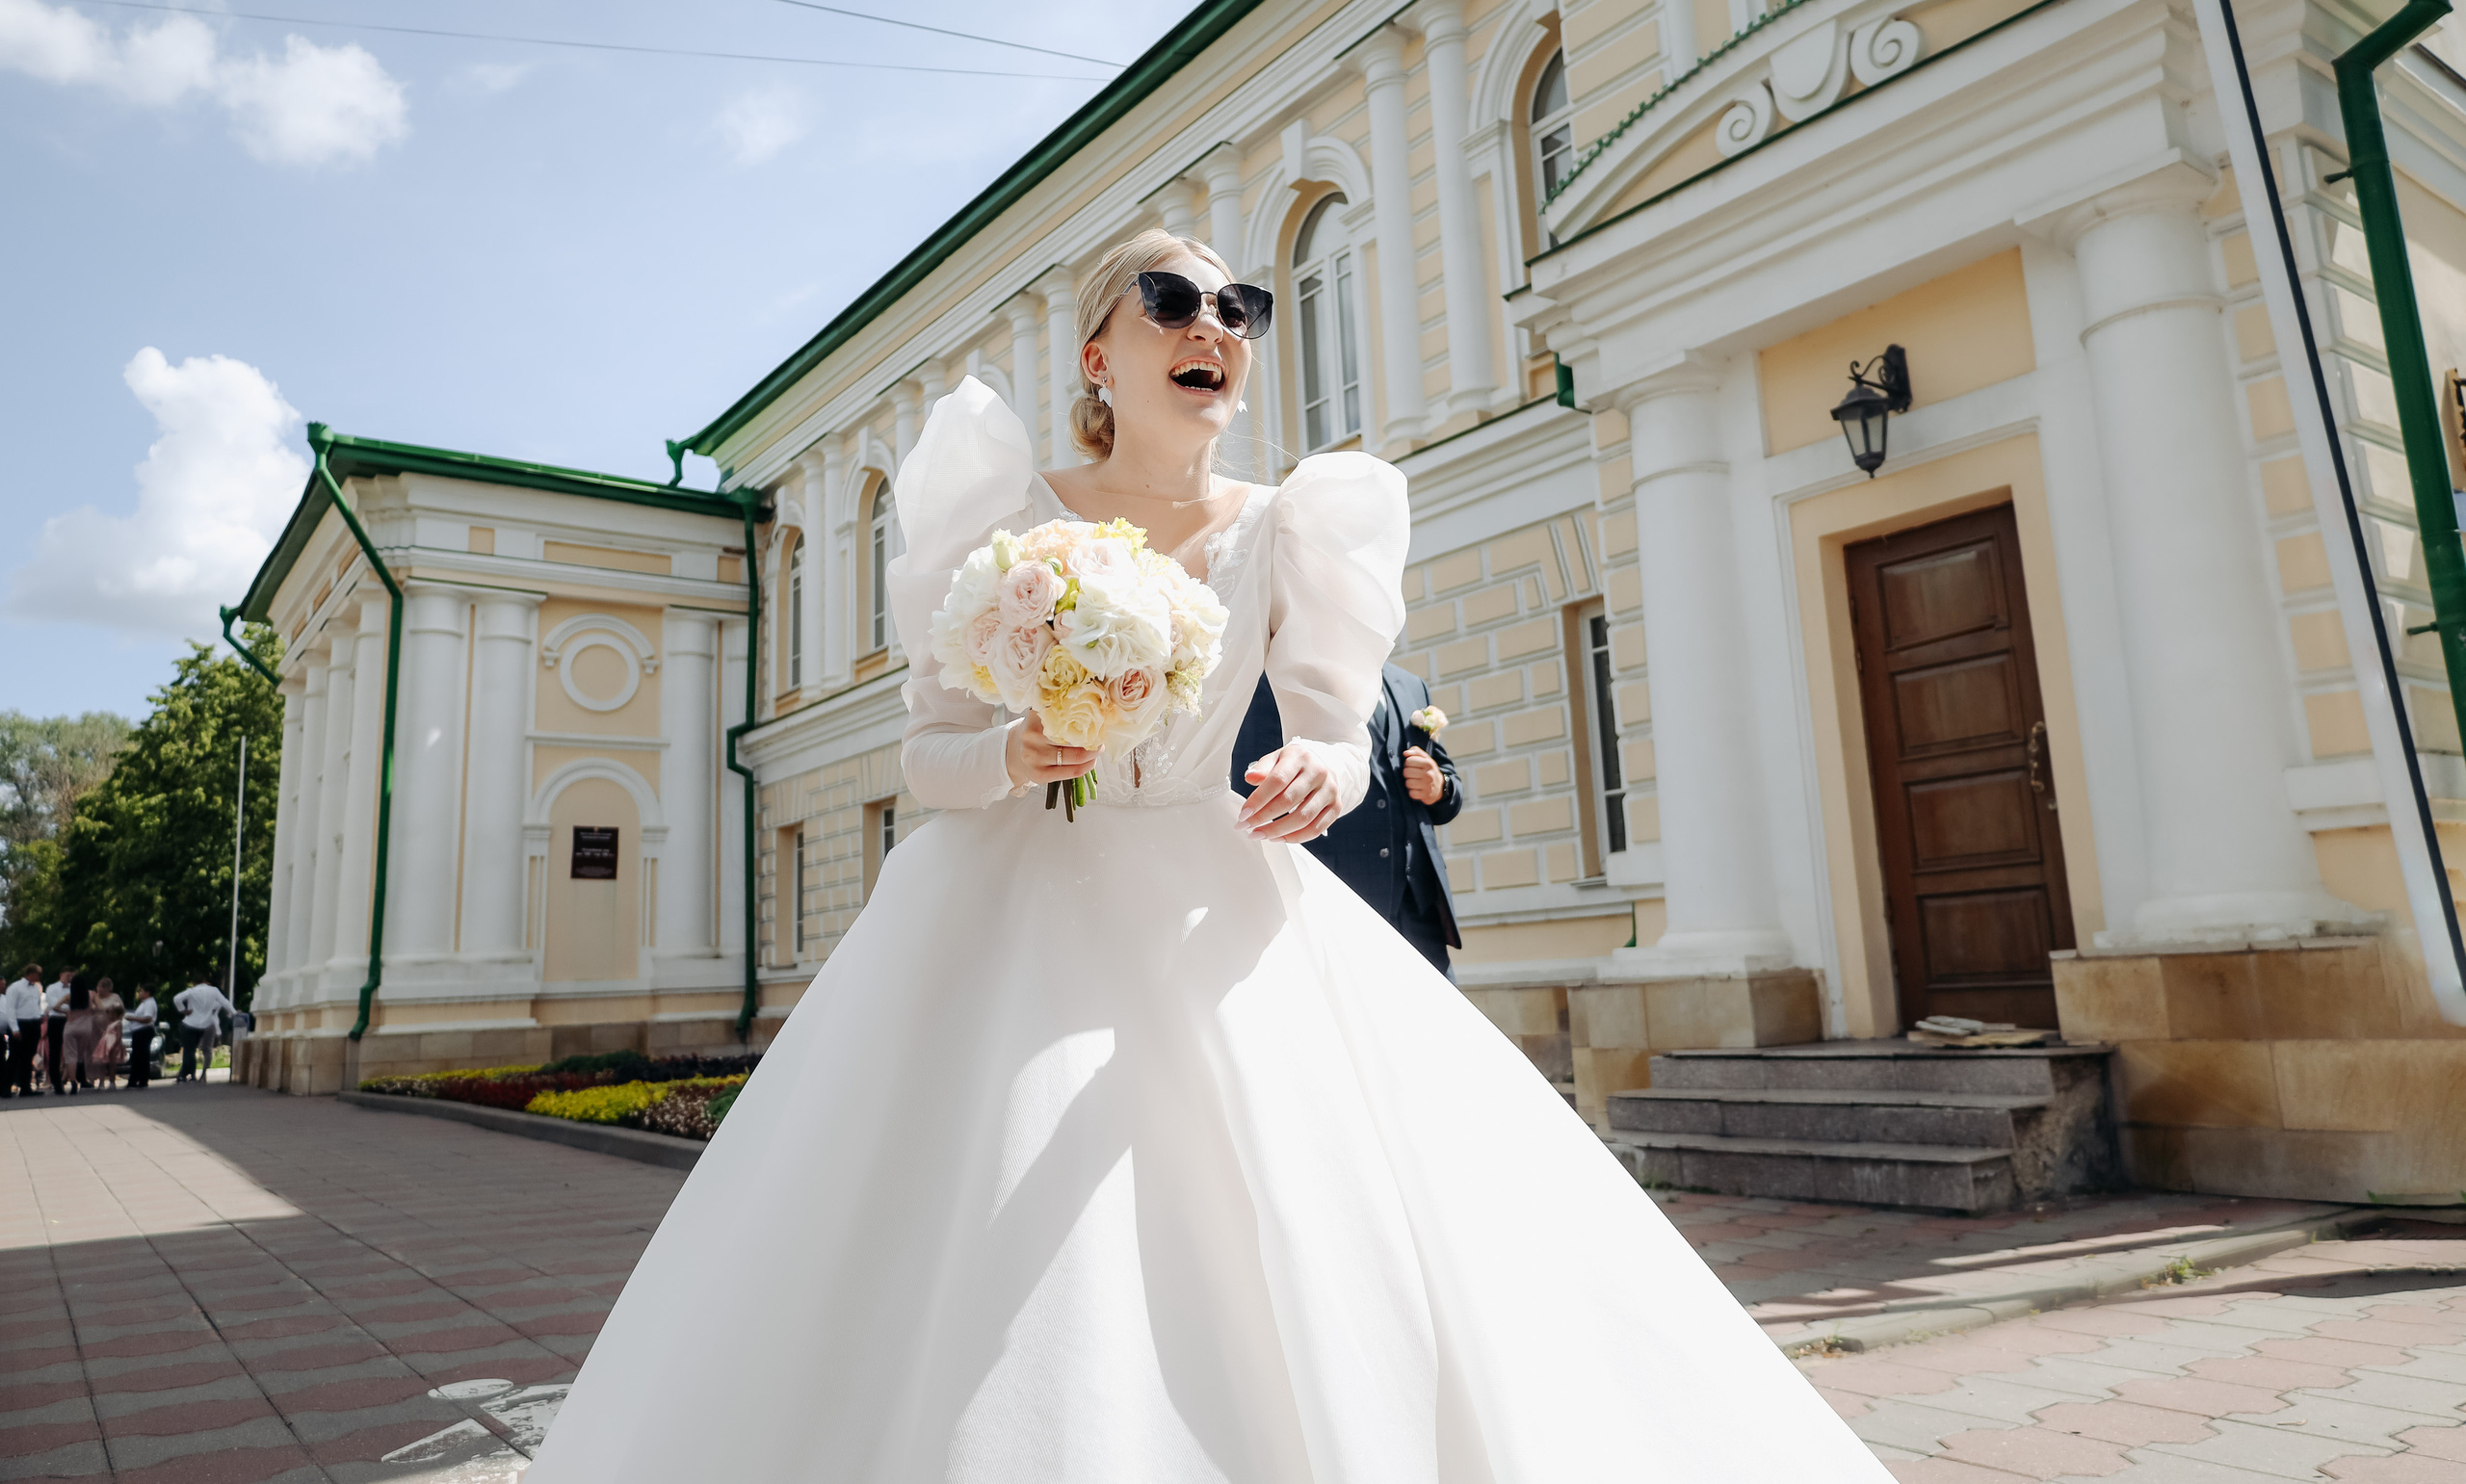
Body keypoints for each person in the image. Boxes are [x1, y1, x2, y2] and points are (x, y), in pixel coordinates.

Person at [526, 233, 1888, 1482]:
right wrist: (1012, 756)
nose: (1214, 324)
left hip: (1228, 909)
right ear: (1100, 356)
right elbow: (927, 757)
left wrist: (1321, 769)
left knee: (1317, 1237)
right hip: (1011, 914)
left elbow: (1338, 728)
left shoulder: (1293, 520)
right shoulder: (1006, 515)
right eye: (1173, 300)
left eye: (1239, 307)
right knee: (1002, 1238)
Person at [1231, 665, 1463, 974]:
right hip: (1341, 904)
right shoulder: (1283, 675)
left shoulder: (1412, 685)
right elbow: (1251, 788)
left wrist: (1440, 787)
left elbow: (1449, 783)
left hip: (1420, 911)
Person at [171, 975, 231, 1083]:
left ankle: (185, 1073)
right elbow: (225, 1003)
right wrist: (234, 1013)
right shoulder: (214, 992)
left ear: (194, 982)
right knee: (204, 1049)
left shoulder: (192, 991)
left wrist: (183, 1010)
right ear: (204, 980)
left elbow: (177, 999)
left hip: (189, 1024)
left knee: (189, 1050)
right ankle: (197, 1073)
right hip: (207, 1025)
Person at [2, 965, 42, 1098]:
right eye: (38, 974)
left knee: (28, 1057)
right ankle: (5, 1088)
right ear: (31, 973)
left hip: (33, 1023)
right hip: (20, 1023)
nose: (39, 977)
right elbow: (11, 1008)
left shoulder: (35, 989)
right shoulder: (16, 987)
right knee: (14, 1057)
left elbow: (36, 1004)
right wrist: (14, 1028)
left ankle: (25, 1087)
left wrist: (39, 1015)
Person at [60, 970, 99, 1092]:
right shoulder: (91, 994)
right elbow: (100, 1008)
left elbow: (55, 1007)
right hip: (85, 1028)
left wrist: (67, 1012)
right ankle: (83, 1078)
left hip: (71, 1027)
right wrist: (91, 1011)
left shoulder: (70, 996)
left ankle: (72, 1081)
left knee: (70, 1056)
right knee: (80, 1056)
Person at [42, 968, 73, 1094]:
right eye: (67, 975)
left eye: (71, 976)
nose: (69, 978)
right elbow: (52, 1005)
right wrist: (66, 1009)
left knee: (71, 1050)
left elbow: (76, 1005)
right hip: (56, 1020)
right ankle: (56, 1082)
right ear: (61, 975)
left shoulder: (73, 988)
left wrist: (64, 1007)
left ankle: (72, 1078)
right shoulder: (52, 988)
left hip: (70, 1020)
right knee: (55, 1052)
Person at [124, 984, 158, 1089]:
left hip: (144, 1030)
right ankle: (136, 1079)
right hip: (139, 1031)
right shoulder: (144, 1003)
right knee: (138, 1056)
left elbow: (147, 1018)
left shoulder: (149, 1003)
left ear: (147, 993)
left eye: (141, 991)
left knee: (141, 1056)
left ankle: (141, 1079)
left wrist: (133, 1018)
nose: (139, 993)